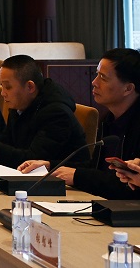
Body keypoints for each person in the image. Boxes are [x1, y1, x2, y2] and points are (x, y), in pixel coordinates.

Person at [21, 48, 140, 199]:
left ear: (128, 88)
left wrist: (78, 176)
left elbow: (127, 186)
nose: (94, 82)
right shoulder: (109, 119)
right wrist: (51, 165)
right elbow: (97, 168)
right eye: (97, 74)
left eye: (103, 78)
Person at [0, 54, 87, 168]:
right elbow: (7, 143)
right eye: (1, 86)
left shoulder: (57, 113)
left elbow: (32, 160)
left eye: (8, 87)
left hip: (59, 180)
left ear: (30, 87)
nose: (3, 93)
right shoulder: (20, 104)